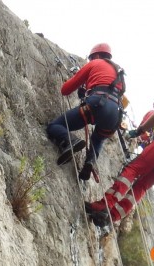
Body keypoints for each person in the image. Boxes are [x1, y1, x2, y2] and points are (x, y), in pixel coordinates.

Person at [85, 93, 154, 227]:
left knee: (133, 169)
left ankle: (104, 205)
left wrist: (139, 131)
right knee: (143, 184)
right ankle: (112, 216)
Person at [46, 43, 126, 180]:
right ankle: (89, 163)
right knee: (98, 139)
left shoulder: (96, 63)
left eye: (92, 58)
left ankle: (70, 140)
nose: (90, 61)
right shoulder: (119, 72)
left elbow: (65, 90)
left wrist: (78, 83)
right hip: (115, 114)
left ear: (97, 55)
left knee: (54, 126)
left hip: (98, 103)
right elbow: (111, 89)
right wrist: (88, 91)